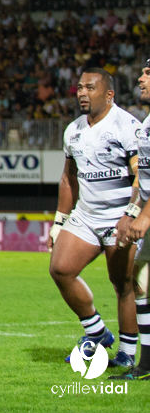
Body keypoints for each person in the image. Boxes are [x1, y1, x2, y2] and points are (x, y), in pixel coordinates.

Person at [48, 68, 141, 369]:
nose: (83, 93)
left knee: (123, 284)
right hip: (86, 216)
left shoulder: (127, 126)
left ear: (109, 94)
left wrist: (131, 214)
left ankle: (127, 352)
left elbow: (141, 176)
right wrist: (60, 221)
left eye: (90, 87)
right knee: (61, 269)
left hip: (119, 217)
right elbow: (68, 179)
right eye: (79, 87)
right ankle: (97, 332)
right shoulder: (73, 129)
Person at [111, 59, 150, 380]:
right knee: (140, 282)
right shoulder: (148, 123)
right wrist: (131, 212)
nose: (140, 78)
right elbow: (145, 179)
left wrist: (144, 216)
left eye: (148, 73)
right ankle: (147, 365)